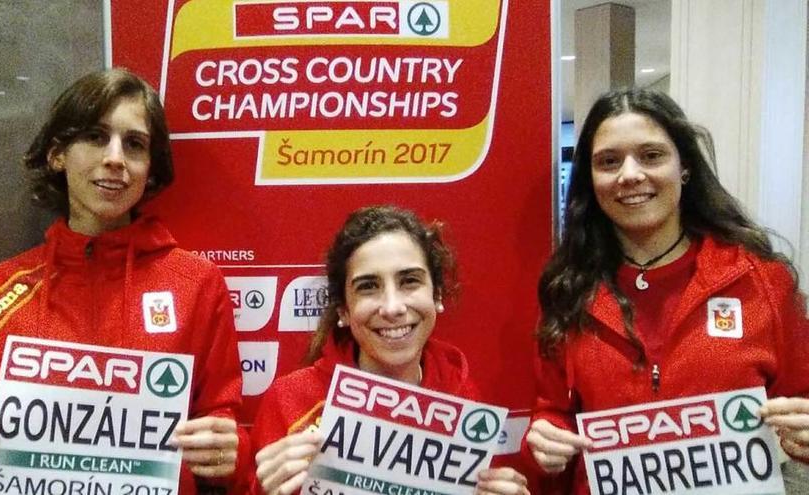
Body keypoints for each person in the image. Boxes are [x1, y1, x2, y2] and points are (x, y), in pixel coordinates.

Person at [0, 69, 247, 494]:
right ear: (57, 154)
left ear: (150, 169)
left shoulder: (197, 283)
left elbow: (222, 433)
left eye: (134, 144)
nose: (115, 157)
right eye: (96, 137)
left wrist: (230, 454)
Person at [523, 88, 809, 493]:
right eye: (609, 161)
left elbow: (802, 396)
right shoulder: (567, 289)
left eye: (651, 155)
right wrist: (546, 436)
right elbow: (553, 411)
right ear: (591, 179)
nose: (630, 174)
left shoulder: (759, 280)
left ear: (685, 167)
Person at [250, 205, 530, 495]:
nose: (393, 308)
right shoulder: (289, 402)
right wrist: (261, 491)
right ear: (344, 310)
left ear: (437, 295)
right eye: (368, 286)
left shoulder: (464, 400)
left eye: (409, 281)